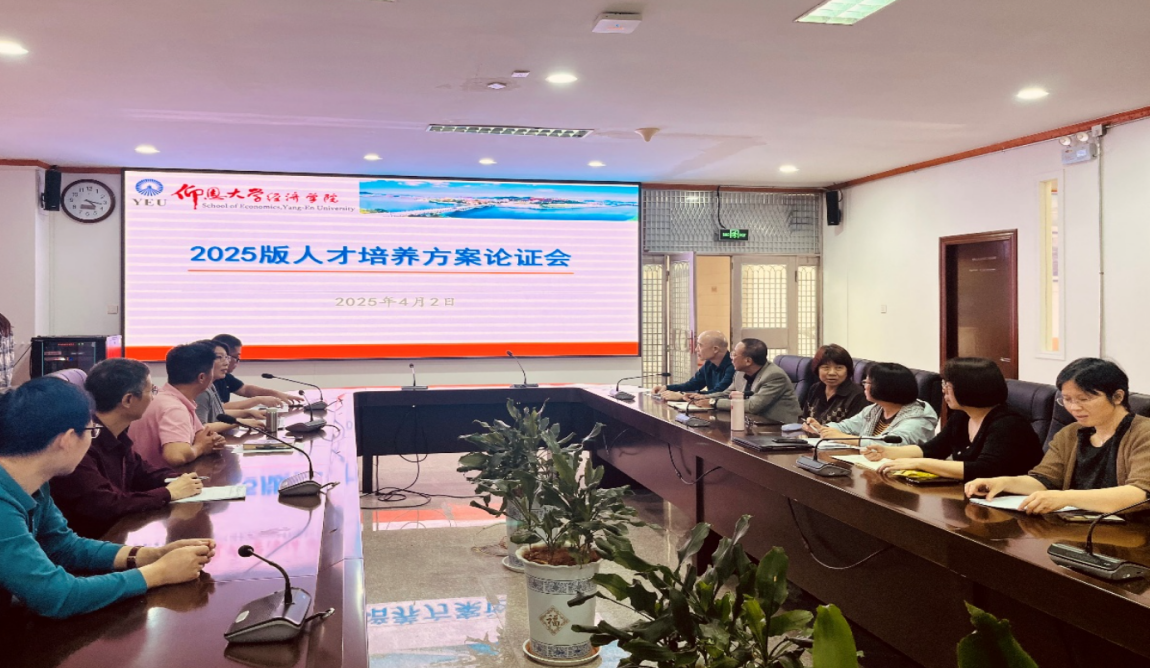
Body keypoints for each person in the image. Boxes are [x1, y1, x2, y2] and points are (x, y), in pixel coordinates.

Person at [0, 378, 214, 622]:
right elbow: (57, 596)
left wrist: (152, 555)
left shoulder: (35, 483)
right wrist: (159, 573)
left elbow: (64, 547)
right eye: (91, 431)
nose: (92, 439)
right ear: (67, 439)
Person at [966, 358, 1150, 514]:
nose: (1074, 408)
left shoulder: (1143, 433)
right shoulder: (1071, 433)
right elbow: (1044, 480)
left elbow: (1140, 494)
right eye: (1067, 400)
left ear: (1117, 397)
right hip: (1075, 528)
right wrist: (1004, 482)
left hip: (1131, 532)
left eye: (1084, 399)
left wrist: (1066, 497)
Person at [50, 358, 206, 539]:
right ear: (128, 400)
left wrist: (182, 480)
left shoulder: (116, 435)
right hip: (93, 542)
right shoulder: (82, 443)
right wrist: (169, 493)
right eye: (151, 391)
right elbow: (107, 504)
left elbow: (143, 473)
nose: (153, 397)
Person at [865, 357, 1043, 481]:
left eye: (948, 385)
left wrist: (920, 464)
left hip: (1009, 501)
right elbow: (932, 449)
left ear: (969, 388)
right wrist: (887, 452)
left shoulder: (1008, 425)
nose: (943, 390)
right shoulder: (962, 417)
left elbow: (984, 469)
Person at [128, 343, 227, 468]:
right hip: (158, 478)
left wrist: (212, 440)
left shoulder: (167, 397)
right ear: (202, 377)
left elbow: (201, 434)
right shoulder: (174, 408)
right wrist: (201, 447)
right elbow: (176, 456)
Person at [811, 362, 937, 446]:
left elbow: (892, 445)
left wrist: (844, 438)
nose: (864, 386)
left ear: (885, 387)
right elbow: (846, 427)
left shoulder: (919, 417)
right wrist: (822, 428)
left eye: (868, 382)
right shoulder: (874, 409)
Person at [692, 338, 801, 424]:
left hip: (778, 428)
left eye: (734, 355)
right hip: (752, 423)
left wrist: (713, 402)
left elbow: (752, 406)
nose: (731, 358)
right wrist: (702, 397)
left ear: (748, 361)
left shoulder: (774, 376)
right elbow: (728, 393)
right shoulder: (740, 372)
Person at [211, 334, 302, 408]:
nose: (227, 362)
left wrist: (276, 394)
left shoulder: (225, 377)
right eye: (236, 357)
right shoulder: (206, 380)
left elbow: (245, 390)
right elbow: (218, 408)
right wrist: (257, 400)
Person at [193, 340, 264, 433]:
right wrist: (238, 422)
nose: (226, 363)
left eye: (226, 357)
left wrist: (247, 413)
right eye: (219, 357)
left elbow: (219, 413)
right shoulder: (201, 391)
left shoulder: (210, 386)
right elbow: (200, 428)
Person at [653, 331, 735, 401]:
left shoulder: (733, 366)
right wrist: (666, 387)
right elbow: (693, 385)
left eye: (700, 345)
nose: (696, 349)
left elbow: (719, 392)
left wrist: (683, 396)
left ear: (715, 349)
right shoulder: (709, 363)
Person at [801, 344, 868, 428]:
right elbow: (804, 418)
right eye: (826, 367)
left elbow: (854, 429)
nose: (832, 373)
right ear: (817, 369)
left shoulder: (858, 395)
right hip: (810, 436)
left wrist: (820, 430)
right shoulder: (815, 388)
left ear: (848, 370)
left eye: (839, 368)